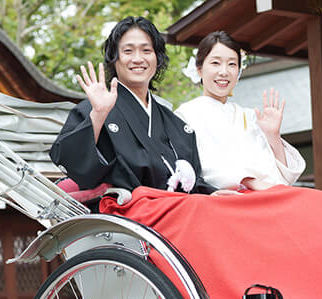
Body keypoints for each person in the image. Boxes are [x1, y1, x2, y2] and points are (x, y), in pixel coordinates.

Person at [51, 16, 216, 195]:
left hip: (178, 207)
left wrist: (213, 194)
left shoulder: (176, 124)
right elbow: (72, 163)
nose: (138, 59)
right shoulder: (93, 111)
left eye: (146, 51)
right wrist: (98, 114)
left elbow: (194, 182)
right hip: (128, 211)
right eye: (128, 51)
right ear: (114, 58)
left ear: (157, 58)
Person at [175, 31, 305, 190]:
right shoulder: (186, 114)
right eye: (216, 63)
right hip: (227, 199)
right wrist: (248, 181)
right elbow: (200, 167)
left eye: (232, 64)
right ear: (199, 69)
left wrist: (273, 136)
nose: (224, 72)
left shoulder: (249, 115)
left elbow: (282, 177)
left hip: (268, 193)